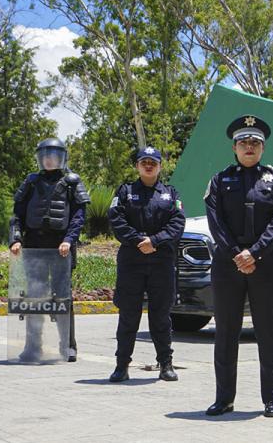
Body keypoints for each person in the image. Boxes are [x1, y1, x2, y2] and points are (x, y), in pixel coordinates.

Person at [204, 115, 273, 418]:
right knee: (226, 332)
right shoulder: (219, 180)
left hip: (266, 265)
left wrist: (253, 253)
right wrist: (236, 254)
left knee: (268, 332)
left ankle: (271, 399)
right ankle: (224, 399)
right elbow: (215, 222)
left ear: (263, 147)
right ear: (234, 147)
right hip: (228, 266)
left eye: (255, 142)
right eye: (244, 142)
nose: (249, 146)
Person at [8, 137, 90, 363]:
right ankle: (33, 347)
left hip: (61, 248)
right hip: (34, 245)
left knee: (63, 297)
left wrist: (69, 239)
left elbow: (78, 216)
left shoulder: (72, 181)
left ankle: (68, 347)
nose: (48, 159)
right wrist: (15, 239)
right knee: (35, 296)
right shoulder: (31, 181)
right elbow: (17, 215)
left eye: (53, 155)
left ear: (62, 157)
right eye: (44, 155)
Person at [107, 147, 185, 382]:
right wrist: (138, 240)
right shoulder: (125, 192)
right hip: (132, 261)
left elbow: (177, 223)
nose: (148, 165)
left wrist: (155, 241)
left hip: (161, 261)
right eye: (144, 162)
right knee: (128, 315)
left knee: (161, 316)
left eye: (153, 162)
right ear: (138, 166)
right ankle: (122, 365)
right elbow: (116, 219)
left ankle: (166, 364)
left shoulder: (171, 194)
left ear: (160, 166)